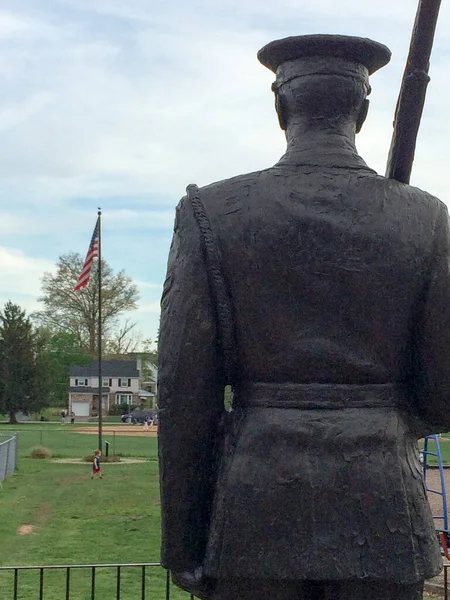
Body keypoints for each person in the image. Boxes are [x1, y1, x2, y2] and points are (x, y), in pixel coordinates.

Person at [158, 35, 450, 600]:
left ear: (279, 107)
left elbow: (183, 396)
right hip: (382, 506)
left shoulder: (210, 213)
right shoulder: (427, 219)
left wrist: (183, 543)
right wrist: (380, 417)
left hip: (252, 511)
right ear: (360, 112)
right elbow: (443, 394)